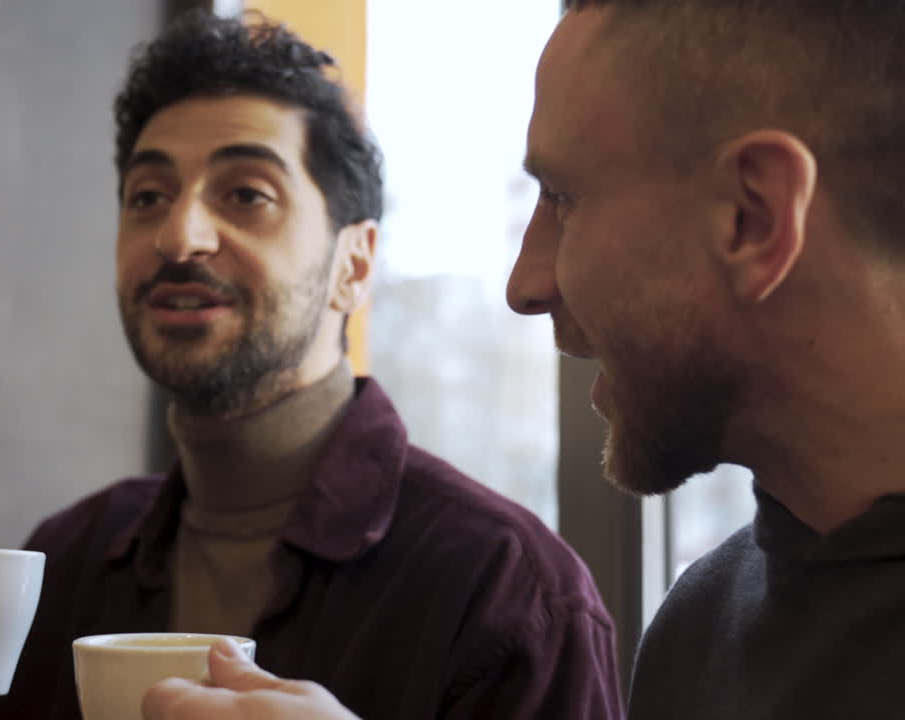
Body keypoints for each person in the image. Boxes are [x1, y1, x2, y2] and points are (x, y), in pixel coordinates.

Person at [0, 10, 622, 720]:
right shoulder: (68, 558)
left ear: (354, 263)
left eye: (247, 195)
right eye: (147, 196)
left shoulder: (508, 599)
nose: (178, 235)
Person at [143, 1, 905, 718]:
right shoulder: (702, 622)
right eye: (145, 196)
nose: (524, 285)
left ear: (753, 215)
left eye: (563, 198)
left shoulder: (509, 592)